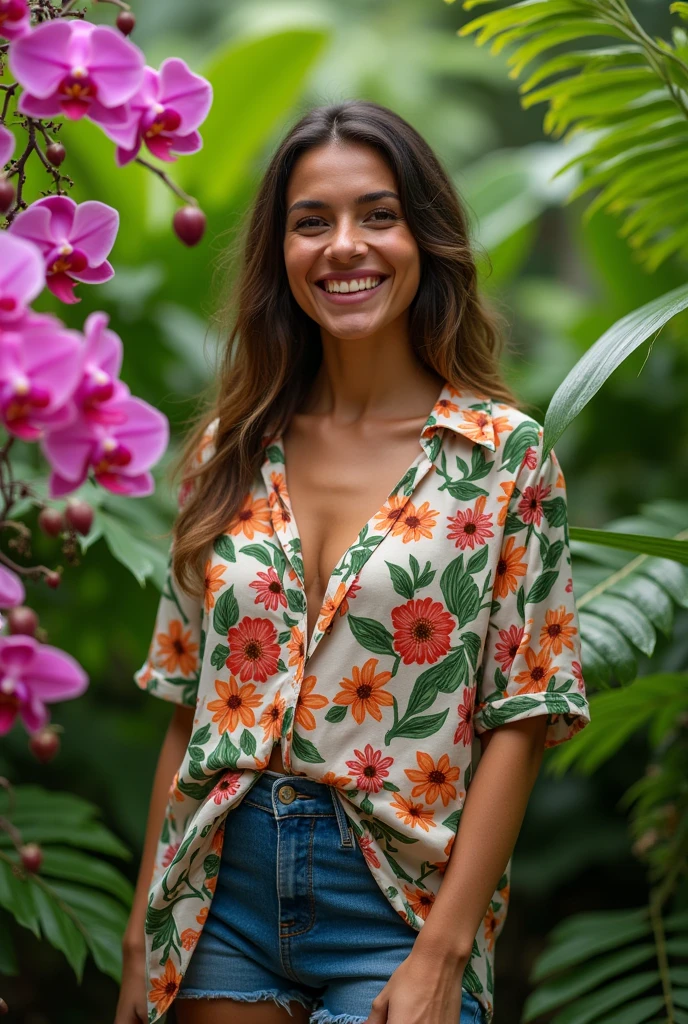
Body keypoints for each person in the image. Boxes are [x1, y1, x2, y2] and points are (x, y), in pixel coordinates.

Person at [115, 99, 591, 1024]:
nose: (345, 246)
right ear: (278, 255)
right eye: (311, 221)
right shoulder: (228, 450)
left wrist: (447, 950)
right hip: (219, 890)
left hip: (398, 902)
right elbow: (187, 702)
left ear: (425, 237)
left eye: (378, 214)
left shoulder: (502, 455)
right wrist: (143, 928)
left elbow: (524, 715)